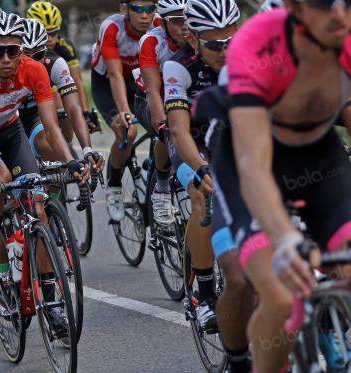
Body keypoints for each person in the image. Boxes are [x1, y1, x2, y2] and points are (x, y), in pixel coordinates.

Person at [213, 1, 351, 371]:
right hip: (249, 164)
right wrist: (285, 238)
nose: (338, 13)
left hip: (319, 160)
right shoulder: (252, 50)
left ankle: (329, 320)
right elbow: (254, 166)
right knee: (280, 295)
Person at [0, 12, 87, 305]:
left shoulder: (34, 70)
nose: (6, 58)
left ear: (22, 50)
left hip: (10, 130)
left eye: (12, 50)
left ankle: (52, 300)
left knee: (37, 206)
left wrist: (72, 160)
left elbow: (52, 128)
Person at [162, 0, 239, 336]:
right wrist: (202, 168)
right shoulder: (178, 67)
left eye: (230, 42)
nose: (224, 51)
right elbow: (178, 130)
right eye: (214, 44)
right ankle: (204, 293)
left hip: (232, 134)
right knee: (200, 195)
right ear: (193, 39)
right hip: (190, 141)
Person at [90, 0, 159, 221]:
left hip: (138, 81)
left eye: (150, 8)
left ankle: (155, 170)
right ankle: (115, 186)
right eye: (138, 8)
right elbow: (115, 75)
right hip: (107, 83)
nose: (145, 15)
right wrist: (125, 113)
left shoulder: (159, 24)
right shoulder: (112, 28)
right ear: (124, 9)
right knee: (127, 131)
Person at [19, 19, 104, 173]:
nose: (31, 62)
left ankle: (53, 196)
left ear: (46, 49)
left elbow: (73, 108)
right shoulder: (5, 67)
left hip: (34, 116)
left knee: (54, 151)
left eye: (37, 54)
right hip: (8, 119)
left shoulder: (55, 64)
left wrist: (87, 150)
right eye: (25, 55)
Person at [134, 0, 187, 227]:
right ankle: (162, 188)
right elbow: (153, 92)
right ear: (164, 23)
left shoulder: (198, 38)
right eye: (176, 21)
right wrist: (164, 124)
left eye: (187, 18)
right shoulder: (152, 41)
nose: (184, 26)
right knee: (168, 131)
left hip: (184, 98)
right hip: (152, 99)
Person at [27, 1, 98, 134]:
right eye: (45, 33)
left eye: (54, 32)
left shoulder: (66, 46)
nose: (50, 38)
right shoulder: (24, 46)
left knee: (67, 125)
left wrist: (86, 112)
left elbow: (78, 82)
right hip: (31, 91)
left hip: (54, 86)